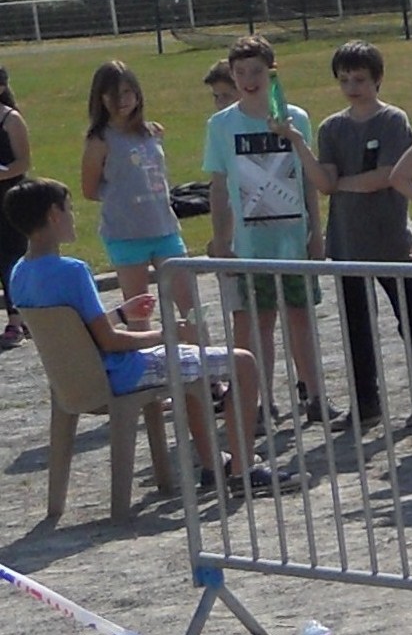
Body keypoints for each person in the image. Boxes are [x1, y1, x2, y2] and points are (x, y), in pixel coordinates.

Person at [7, 179, 286, 493]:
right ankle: (243, 467)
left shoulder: (19, 273)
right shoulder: (72, 271)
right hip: (119, 373)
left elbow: (70, 330)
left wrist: (123, 315)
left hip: (74, 379)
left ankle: (213, 465)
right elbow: (110, 342)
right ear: (53, 215)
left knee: (188, 365)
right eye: (69, 210)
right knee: (243, 362)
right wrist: (167, 335)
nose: (74, 217)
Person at [310, 43, 412, 432]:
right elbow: (325, 181)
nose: (352, 86)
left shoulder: (393, 120)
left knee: (410, 316)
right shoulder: (331, 127)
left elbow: (386, 175)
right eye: (345, 79)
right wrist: (339, 182)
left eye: (360, 79)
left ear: (377, 80)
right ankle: (366, 403)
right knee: (356, 324)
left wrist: (342, 184)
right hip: (347, 239)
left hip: (388, 238)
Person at [205, 36, 332, 437]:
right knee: (259, 325)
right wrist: (221, 241)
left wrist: (316, 233)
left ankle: (315, 397)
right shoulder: (221, 125)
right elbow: (219, 186)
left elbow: (309, 182)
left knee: (300, 320)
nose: (248, 80)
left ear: (271, 72)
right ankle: (258, 403)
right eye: (239, 73)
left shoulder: (295, 117)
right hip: (250, 244)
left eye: (256, 71)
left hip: (292, 237)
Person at [79, 63, 187, 311]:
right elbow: (89, 189)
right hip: (125, 234)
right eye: (114, 94)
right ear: (100, 98)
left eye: (128, 92)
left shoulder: (153, 132)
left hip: (164, 228)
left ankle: (193, 348)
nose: (122, 100)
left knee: (188, 303)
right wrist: (124, 197)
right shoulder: (100, 140)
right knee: (139, 309)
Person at [0, 68, 27, 349]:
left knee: (10, 259)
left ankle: (16, 319)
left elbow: (22, 163)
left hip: (8, 200)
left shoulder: (11, 119)